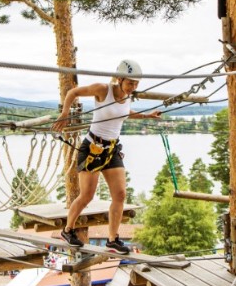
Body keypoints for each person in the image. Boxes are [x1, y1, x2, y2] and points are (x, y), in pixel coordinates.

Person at [52, 59, 162, 255]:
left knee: (120, 195)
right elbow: (73, 92)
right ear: (119, 79)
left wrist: (147, 116)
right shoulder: (103, 89)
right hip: (92, 148)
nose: (133, 87)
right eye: (130, 83)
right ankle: (67, 230)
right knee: (86, 196)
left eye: (136, 84)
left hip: (111, 149)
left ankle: (112, 240)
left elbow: (125, 113)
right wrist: (65, 112)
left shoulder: (128, 95)